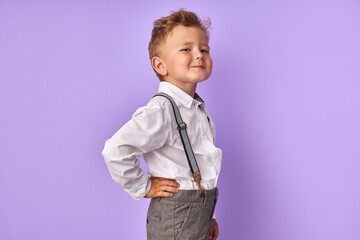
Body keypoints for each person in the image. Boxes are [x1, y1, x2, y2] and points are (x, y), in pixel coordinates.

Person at [102, 9, 222, 240]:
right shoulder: (161, 111)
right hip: (175, 215)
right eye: (186, 49)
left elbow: (205, 166)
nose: (198, 54)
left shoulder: (198, 110)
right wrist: (143, 186)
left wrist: (209, 215)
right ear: (160, 65)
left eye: (204, 49)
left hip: (200, 214)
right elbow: (114, 151)